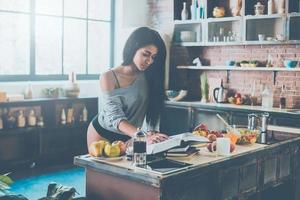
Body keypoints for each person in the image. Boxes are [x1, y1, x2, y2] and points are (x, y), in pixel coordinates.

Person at [87, 27, 169, 151]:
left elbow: (154, 106)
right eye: (145, 54)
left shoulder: (148, 76)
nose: (149, 61)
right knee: (103, 170)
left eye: (153, 57)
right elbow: (115, 116)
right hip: (102, 133)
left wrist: (151, 133)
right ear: (133, 48)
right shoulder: (108, 77)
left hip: (132, 135)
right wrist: (142, 136)